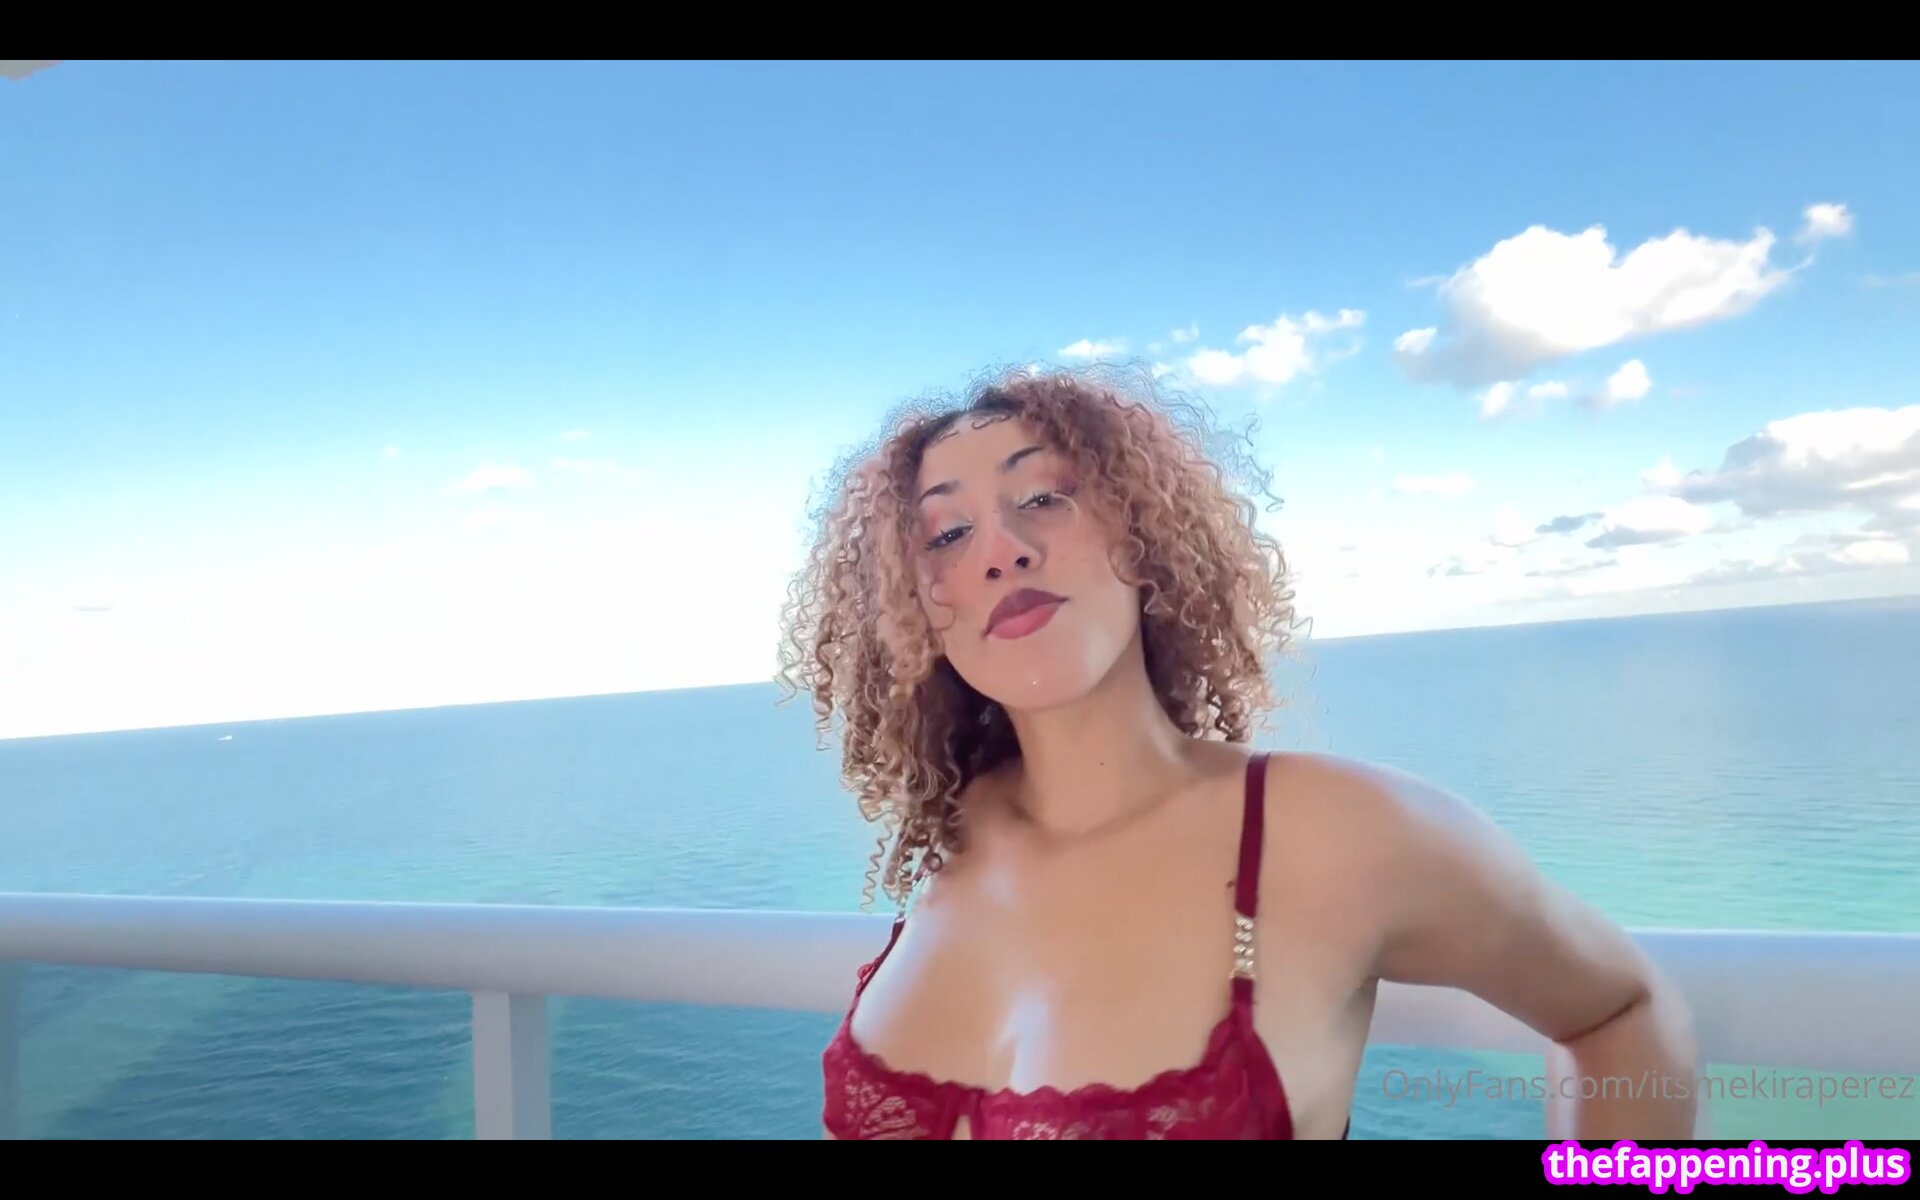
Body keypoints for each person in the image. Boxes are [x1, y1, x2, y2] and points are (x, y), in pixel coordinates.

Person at [774, 364, 1698, 1140]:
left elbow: (1621, 1009)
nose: (1002, 550)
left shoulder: (1334, 834)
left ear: (1141, 533)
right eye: (947, 533)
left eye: (1045, 496)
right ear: (910, 609)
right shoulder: (949, 843)